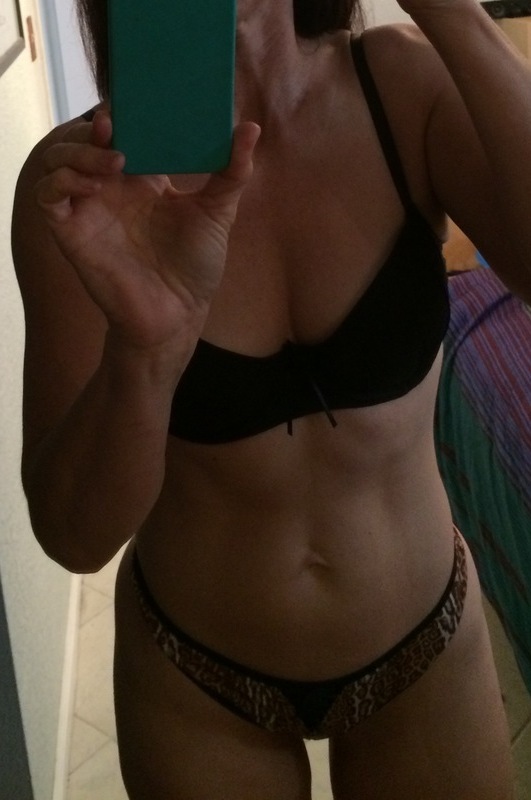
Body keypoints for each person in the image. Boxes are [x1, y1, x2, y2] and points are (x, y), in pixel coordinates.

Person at [11, 0, 529, 796]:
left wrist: (450, 12)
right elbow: (74, 536)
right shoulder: (85, 184)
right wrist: (144, 355)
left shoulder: (401, 84)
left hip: (423, 646)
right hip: (197, 680)